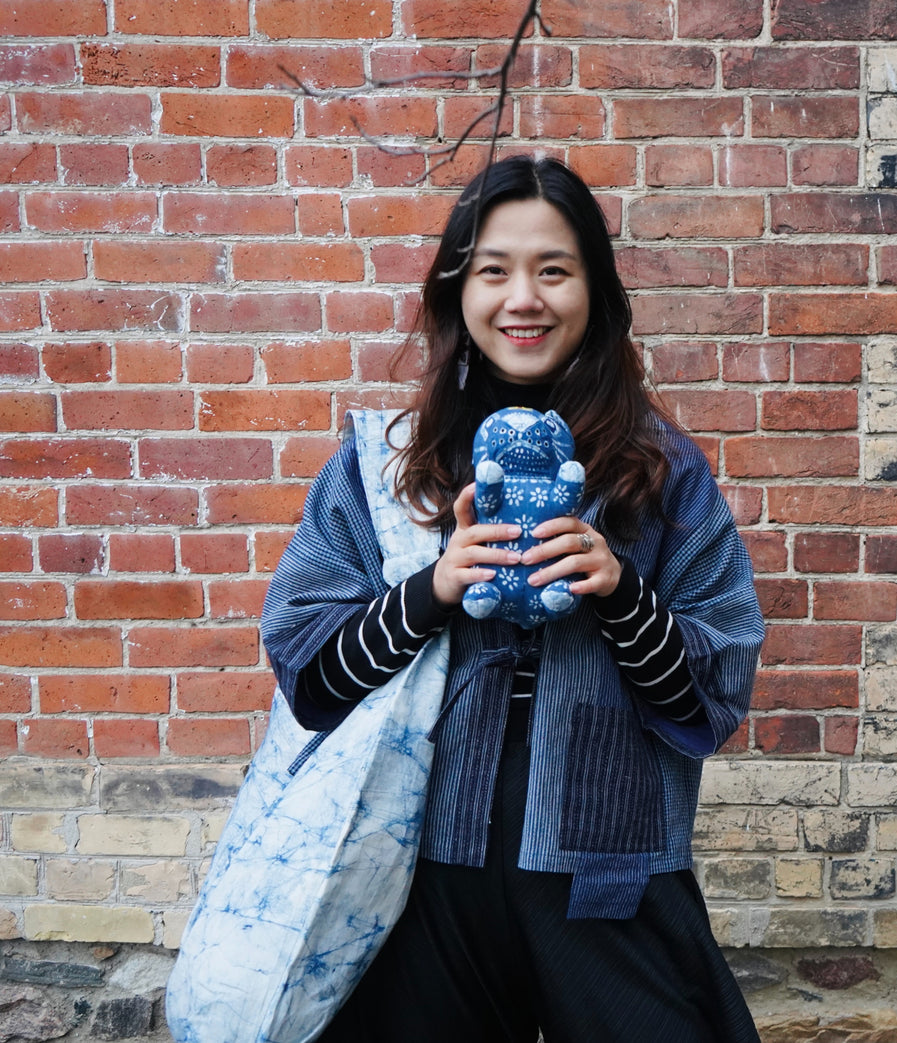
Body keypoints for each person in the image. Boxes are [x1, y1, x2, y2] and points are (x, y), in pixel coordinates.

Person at [260, 155, 765, 1042]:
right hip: (417, 869)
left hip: (606, 866)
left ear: (596, 293)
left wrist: (619, 592)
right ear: (457, 289)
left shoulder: (664, 471)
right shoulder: (388, 465)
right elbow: (307, 666)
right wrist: (433, 587)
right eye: (493, 270)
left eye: (554, 270)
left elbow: (715, 689)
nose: (521, 298)